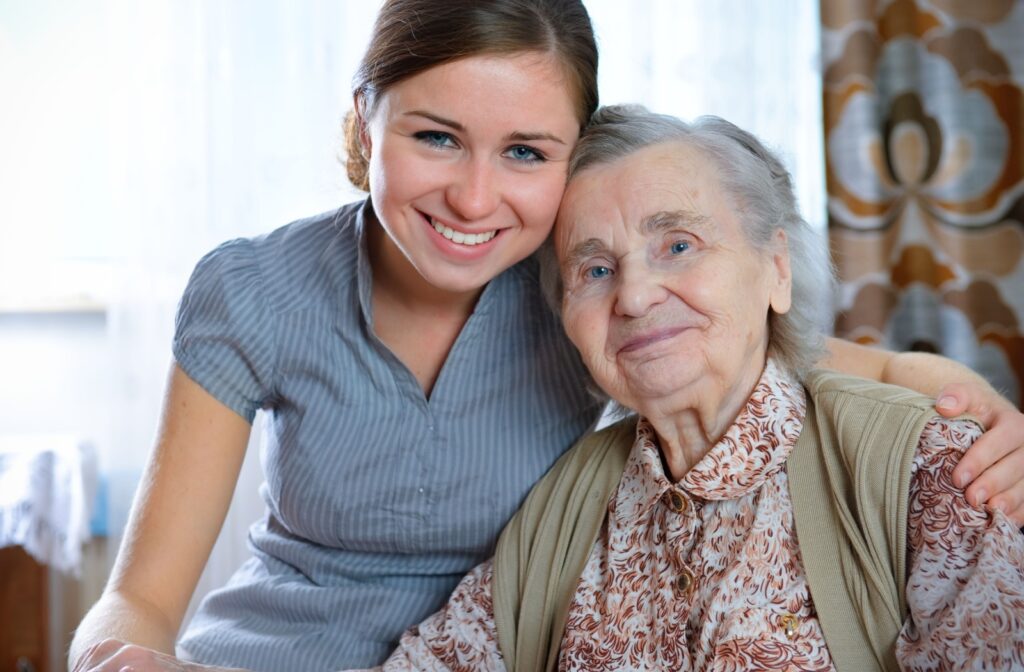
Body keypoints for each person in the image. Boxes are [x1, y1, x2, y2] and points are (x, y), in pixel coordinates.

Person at [70, 2, 1024, 671]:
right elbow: (140, 597)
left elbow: (756, 347)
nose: (474, 198)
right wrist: (120, 658)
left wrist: (956, 399)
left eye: (525, 152)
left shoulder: (579, 291)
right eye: (435, 137)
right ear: (365, 121)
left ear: (569, 158)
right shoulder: (257, 289)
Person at [361, 106, 1024, 671]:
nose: (635, 296)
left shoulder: (931, 468)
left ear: (776, 269)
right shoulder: (560, 512)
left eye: (678, 246)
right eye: (595, 270)